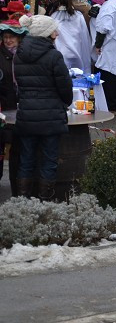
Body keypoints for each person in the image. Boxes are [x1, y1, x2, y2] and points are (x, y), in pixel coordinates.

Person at [12, 16, 72, 200]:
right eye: (55, 30)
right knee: (49, 161)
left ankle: (23, 201)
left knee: (26, 160)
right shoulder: (54, 56)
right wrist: (65, 103)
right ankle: (45, 202)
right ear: (47, 33)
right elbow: (65, 88)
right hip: (51, 116)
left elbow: (19, 85)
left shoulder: (19, 54)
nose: (58, 32)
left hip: (27, 114)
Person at [48, 0, 92, 72]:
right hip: (76, 49)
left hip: (60, 51)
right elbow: (84, 34)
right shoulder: (78, 15)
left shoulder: (54, 16)